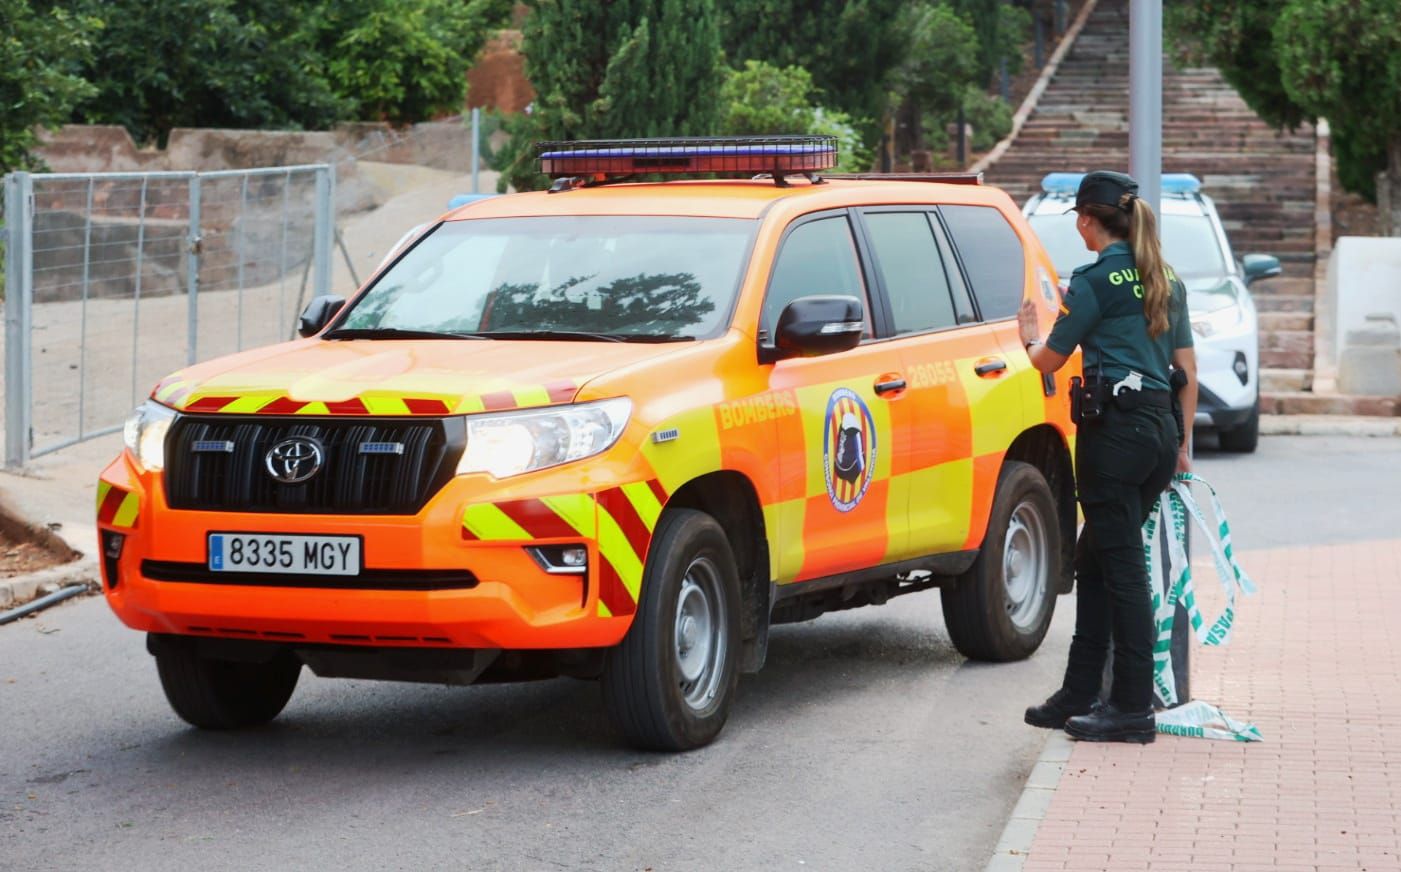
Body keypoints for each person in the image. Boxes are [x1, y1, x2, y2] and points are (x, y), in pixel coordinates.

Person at [1017, 170, 1197, 744]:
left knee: (1121, 570)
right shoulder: (1164, 276)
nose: (1077, 227)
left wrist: (1027, 338)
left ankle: (1130, 708)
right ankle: (1079, 691)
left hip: (1114, 436)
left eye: (1078, 218)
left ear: (1089, 220)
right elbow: (1187, 372)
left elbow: (1048, 360)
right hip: (1158, 436)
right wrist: (1183, 446)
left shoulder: (1093, 280)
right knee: (1095, 558)